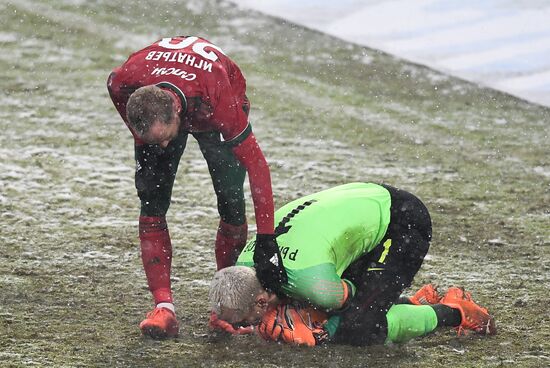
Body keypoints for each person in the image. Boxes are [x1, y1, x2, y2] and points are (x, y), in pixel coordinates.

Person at [107, 36, 286, 338]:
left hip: (210, 102)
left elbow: (258, 166)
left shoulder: (216, 99)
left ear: (176, 115)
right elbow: (117, 89)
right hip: (171, 95)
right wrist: (145, 139)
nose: (164, 146)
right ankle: (163, 307)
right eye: (155, 140)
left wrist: (266, 237)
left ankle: (224, 310)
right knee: (151, 201)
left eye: (166, 137)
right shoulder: (124, 81)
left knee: (231, 203)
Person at [208, 182, 496, 346]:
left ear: (260, 301)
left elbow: (346, 301)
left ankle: (455, 311)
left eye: (243, 322)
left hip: (402, 221)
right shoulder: (246, 263)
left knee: (360, 327)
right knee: (330, 308)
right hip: (361, 198)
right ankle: (415, 302)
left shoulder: (312, 283)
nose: (245, 327)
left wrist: (320, 332)